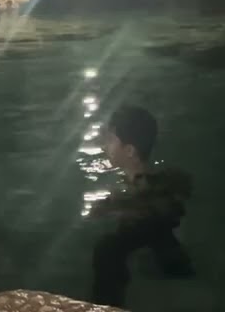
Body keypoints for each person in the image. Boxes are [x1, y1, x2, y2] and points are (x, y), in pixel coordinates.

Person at [89, 104, 194, 306]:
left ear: (129, 151)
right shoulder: (157, 180)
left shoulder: (139, 192)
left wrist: (113, 207)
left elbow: (155, 209)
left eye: (110, 140)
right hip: (164, 248)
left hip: (157, 255)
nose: (104, 146)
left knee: (105, 249)